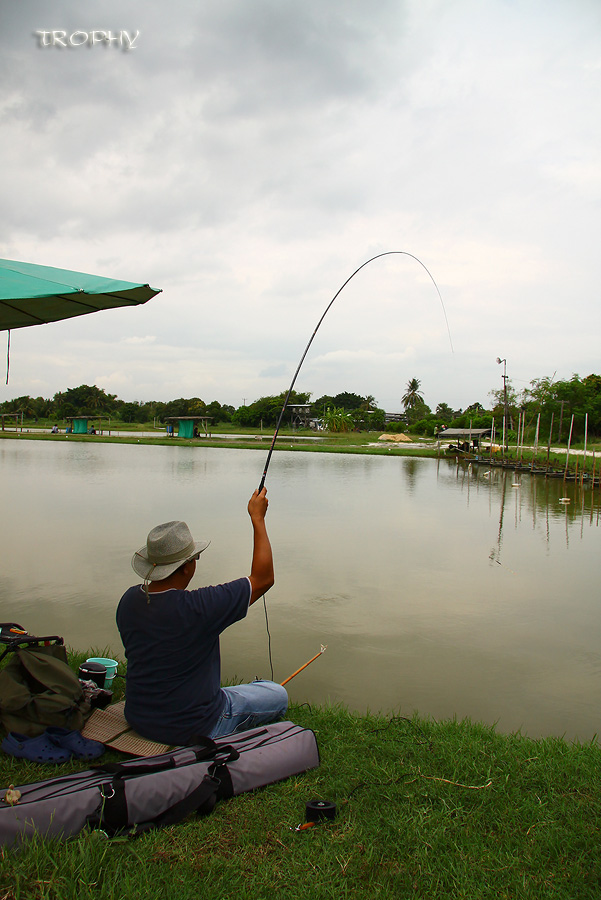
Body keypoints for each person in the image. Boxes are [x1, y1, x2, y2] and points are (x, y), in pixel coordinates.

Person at [116, 488, 288, 745]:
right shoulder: (199, 607)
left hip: (140, 717)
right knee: (277, 694)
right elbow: (263, 579)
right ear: (187, 567)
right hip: (197, 726)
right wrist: (257, 519)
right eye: (195, 558)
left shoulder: (128, 601)